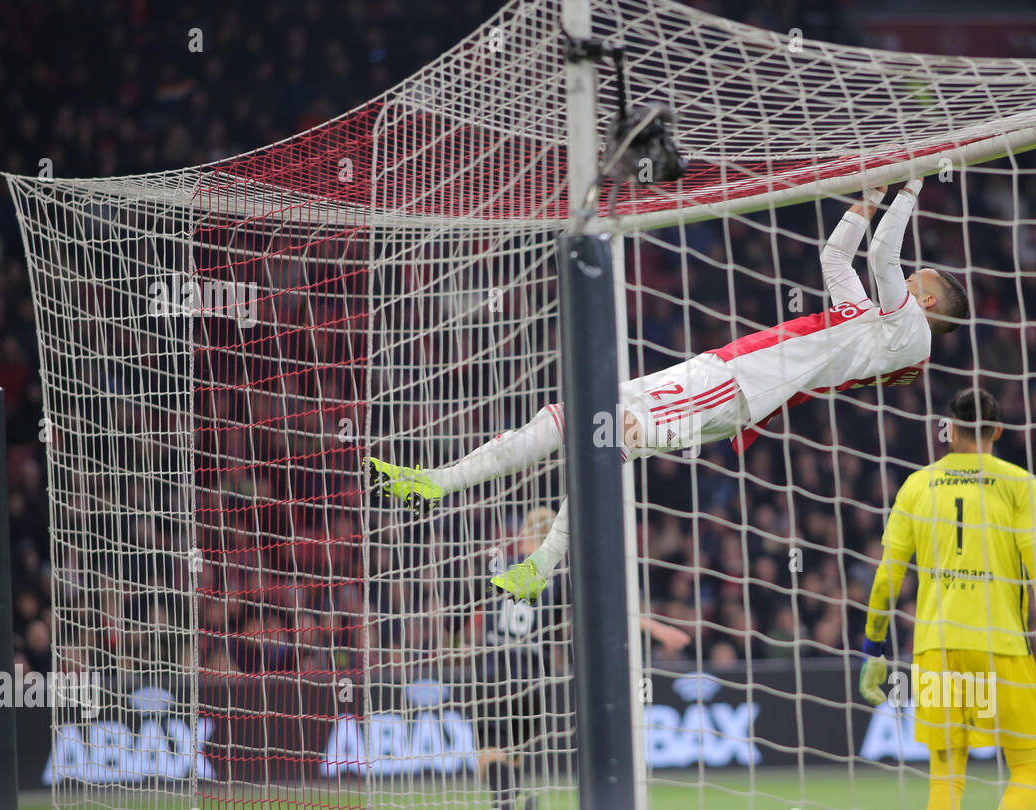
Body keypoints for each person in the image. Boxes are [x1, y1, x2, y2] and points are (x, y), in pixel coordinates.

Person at [370, 178, 967, 600]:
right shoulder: (873, 324)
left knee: (611, 436)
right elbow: (839, 256)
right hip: (722, 373)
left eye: (922, 279)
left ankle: (528, 551)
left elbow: (885, 255)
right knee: (577, 421)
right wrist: (866, 199)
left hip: (740, 385)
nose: (912, 276)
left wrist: (909, 186)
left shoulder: (911, 334)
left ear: (929, 301)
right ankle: (451, 495)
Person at [858, 387, 1036, 810]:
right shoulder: (1018, 484)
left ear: (949, 428)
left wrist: (872, 650)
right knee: (1029, 769)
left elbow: (887, 577)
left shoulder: (916, 485)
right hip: (1003, 649)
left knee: (946, 775)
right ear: (999, 432)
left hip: (937, 650)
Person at [468, 506, 690, 810]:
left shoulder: (496, 566)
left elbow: (466, 617)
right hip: (532, 682)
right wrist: (658, 629)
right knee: (515, 761)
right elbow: (607, 611)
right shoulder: (558, 578)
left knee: (490, 764)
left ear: (522, 532)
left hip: (494, 675)